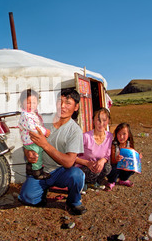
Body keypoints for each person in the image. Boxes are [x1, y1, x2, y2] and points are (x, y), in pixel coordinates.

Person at [18, 88, 87, 216]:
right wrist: (29, 154)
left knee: (77, 175)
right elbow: (27, 140)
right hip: (41, 170)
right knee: (27, 197)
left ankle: (74, 201)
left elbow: (68, 162)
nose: (62, 106)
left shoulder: (74, 130)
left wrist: (45, 144)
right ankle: (42, 190)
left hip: (61, 172)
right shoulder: (41, 120)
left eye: (68, 103)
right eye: (60, 101)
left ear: (76, 107)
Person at [75, 108, 113, 190]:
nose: (101, 123)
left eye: (104, 120)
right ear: (93, 120)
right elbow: (73, 157)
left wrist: (102, 160)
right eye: (98, 120)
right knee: (96, 169)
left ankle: (95, 182)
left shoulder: (110, 137)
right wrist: (87, 163)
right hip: (83, 167)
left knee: (107, 167)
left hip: (97, 167)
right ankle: (83, 182)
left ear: (108, 121)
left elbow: (107, 155)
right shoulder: (85, 137)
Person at [18, 89, 51, 180]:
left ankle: (30, 170)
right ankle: (37, 173)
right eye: (28, 103)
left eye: (34, 103)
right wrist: (45, 132)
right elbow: (33, 128)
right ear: (22, 103)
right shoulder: (26, 115)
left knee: (32, 157)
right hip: (31, 141)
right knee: (37, 155)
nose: (31, 105)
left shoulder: (31, 114)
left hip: (31, 140)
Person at [105, 122, 141, 191]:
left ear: (128, 134)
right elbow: (112, 161)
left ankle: (123, 179)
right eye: (119, 134)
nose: (121, 137)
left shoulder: (129, 144)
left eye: (124, 134)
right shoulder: (114, 145)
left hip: (124, 167)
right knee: (115, 167)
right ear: (116, 134)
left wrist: (137, 156)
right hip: (114, 168)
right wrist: (116, 159)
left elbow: (132, 154)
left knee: (132, 166)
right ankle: (111, 181)